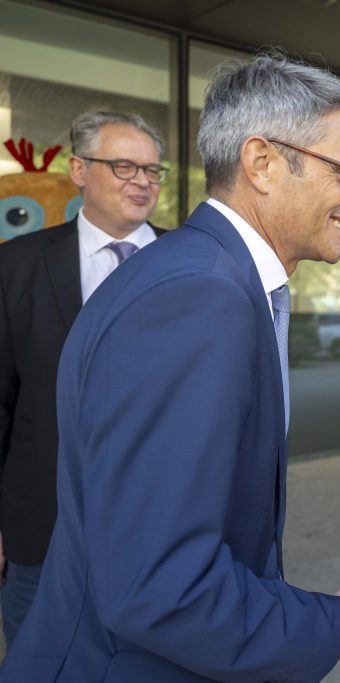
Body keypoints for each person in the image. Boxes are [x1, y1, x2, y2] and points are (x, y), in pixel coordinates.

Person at [0, 52, 340, 681]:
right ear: (262, 162)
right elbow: (161, 585)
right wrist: (329, 623)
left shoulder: (194, 274)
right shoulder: (198, 297)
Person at [0, 110, 167, 647]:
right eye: (124, 166)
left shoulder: (193, 263)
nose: (142, 181)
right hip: (41, 528)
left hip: (160, 528)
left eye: (153, 170)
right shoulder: (16, 265)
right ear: (78, 169)